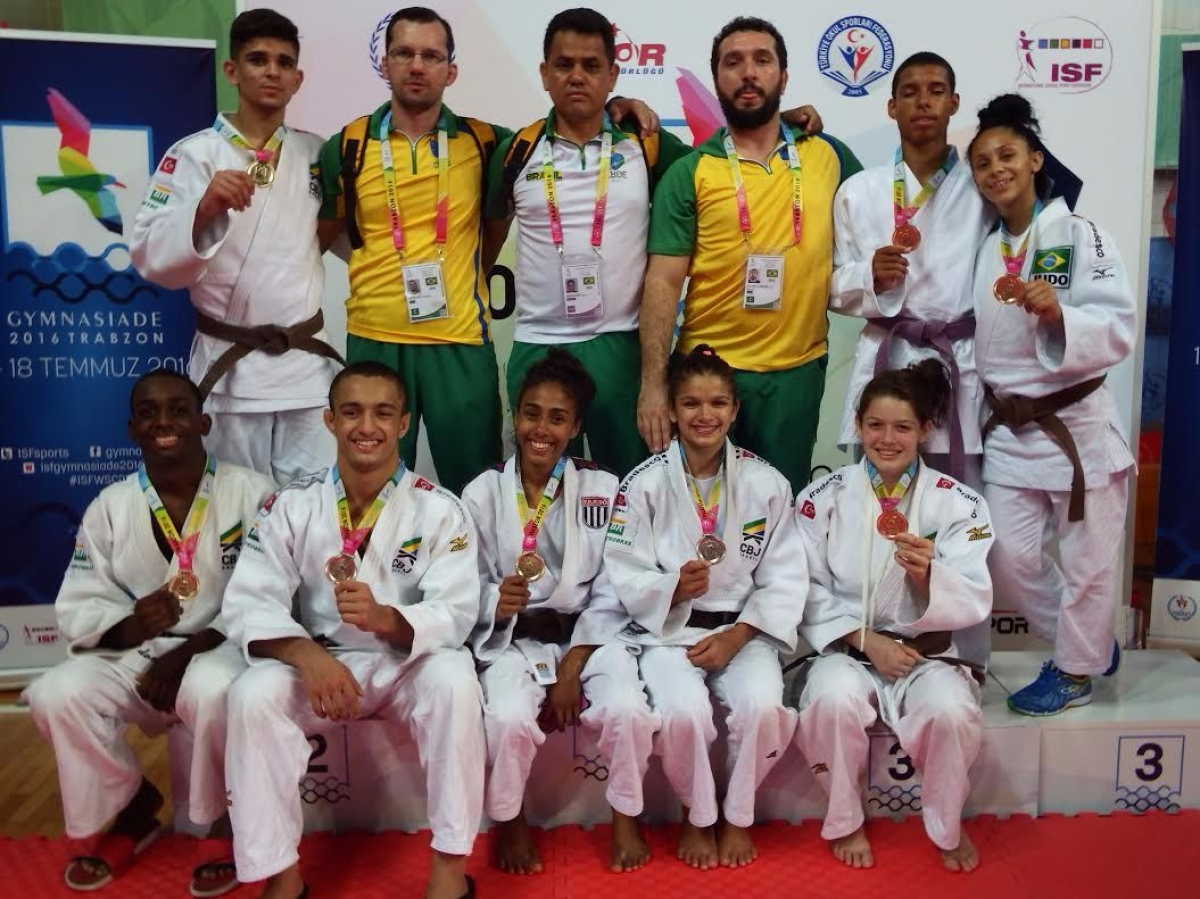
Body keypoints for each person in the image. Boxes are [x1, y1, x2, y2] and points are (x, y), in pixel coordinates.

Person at [316, 7, 655, 494]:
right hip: (374, 338)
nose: (417, 66)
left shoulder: (489, 143)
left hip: (459, 343)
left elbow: (498, 225)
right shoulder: (345, 146)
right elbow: (320, 239)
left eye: (431, 56)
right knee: (371, 483)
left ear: (450, 71)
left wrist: (618, 101)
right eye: (404, 53)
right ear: (384, 63)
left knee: (479, 488)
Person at [220, 361, 486, 899]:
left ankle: (449, 873)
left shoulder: (441, 509)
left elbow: (456, 611)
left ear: (405, 423)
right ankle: (282, 878)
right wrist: (306, 655)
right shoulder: (290, 505)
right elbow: (249, 599)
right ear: (329, 421)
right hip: (321, 663)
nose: (368, 426)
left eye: (383, 413)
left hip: (404, 661)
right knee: (251, 695)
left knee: (456, 682)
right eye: (352, 412)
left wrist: (389, 618)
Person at [24, 370, 274, 896]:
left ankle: (221, 824)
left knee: (212, 689)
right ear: (132, 427)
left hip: (221, 647)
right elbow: (81, 603)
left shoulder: (253, 494)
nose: (165, 421)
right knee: (55, 694)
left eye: (179, 410)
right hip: (139, 652)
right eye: (150, 412)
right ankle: (132, 806)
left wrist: (187, 653)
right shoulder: (110, 507)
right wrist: (131, 625)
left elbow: (272, 593)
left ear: (204, 421)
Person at [639, 16, 862, 493]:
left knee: (781, 512)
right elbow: (661, 283)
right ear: (717, 78)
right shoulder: (690, 171)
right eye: (733, 62)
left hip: (795, 374)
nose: (748, 73)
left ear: (783, 76)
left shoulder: (829, 155)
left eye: (762, 61)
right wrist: (655, 383)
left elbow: (883, 225)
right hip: (708, 374)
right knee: (699, 515)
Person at [604, 345, 805, 870]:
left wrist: (739, 636)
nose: (704, 415)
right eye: (691, 403)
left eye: (718, 403)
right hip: (670, 634)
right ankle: (699, 814)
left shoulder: (768, 483)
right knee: (682, 715)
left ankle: (737, 816)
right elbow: (624, 569)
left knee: (764, 708)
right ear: (670, 410)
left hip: (743, 633)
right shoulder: (643, 483)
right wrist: (671, 587)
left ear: (735, 410)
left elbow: (784, 577)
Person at [967, 94, 1134, 716]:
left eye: (1007, 155)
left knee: (1090, 564)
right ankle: (1085, 641)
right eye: (983, 162)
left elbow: (1118, 325)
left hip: (1076, 427)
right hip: (1011, 429)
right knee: (1009, 557)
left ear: (1036, 159)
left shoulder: (1079, 234)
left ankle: (1074, 669)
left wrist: (1061, 312)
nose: (996, 170)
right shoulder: (988, 248)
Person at [792, 360, 993, 875]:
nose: (887, 438)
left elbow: (972, 593)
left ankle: (947, 823)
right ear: (857, 426)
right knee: (832, 701)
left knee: (950, 713)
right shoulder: (821, 499)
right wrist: (864, 640)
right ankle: (845, 818)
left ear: (926, 431)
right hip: (848, 650)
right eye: (875, 425)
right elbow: (803, 587)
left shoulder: (959, 503)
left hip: (924, 655)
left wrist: (929, 577)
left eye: (903, 427)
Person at [463, 348, 658, 875]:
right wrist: (491, 601)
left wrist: (573, 664)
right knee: (505, 718)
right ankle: (510, 818)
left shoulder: (605, 487)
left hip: (590, 634)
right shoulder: (481, 493)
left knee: (627, 711)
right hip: (513, 638)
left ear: (575, 426)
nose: (540, 428)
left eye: (556, 417)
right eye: (531, 413)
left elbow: (617, 582)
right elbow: (464, 583)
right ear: (515, 416)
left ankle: (624, 816)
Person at [131, 9, 341, 486]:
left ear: (298, 78)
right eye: (258, 59)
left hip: (306, 372)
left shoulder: (318, 155)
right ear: (232, 71)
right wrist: (203, 208)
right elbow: (148, 256)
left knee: (315, 514)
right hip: (230, 375)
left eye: (284, 63)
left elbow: (354, 240)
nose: (272, 71)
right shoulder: (193, 155)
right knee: (234, 513)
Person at [484, 8, 694, 476]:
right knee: (535, 487)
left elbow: (725, 158)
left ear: (613, 74)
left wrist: (779, 119)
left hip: (618, 344)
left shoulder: (645, 143)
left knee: (633, 483)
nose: (576, 76)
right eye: (563, 64)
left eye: (591, 66)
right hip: (538, 342)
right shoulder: (516, 151)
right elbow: (484, 250)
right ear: (544, 73)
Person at [830, 52, 990, 489]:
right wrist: (868, 276)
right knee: (876, 500)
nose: (924, 102)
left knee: (958, 502)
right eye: (910, 92)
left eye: (936, 92)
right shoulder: (858, 191)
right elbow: (830, 285)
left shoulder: (984, 190)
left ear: (954, 103)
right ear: (891, 107)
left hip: (957, 358)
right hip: (886, 357)